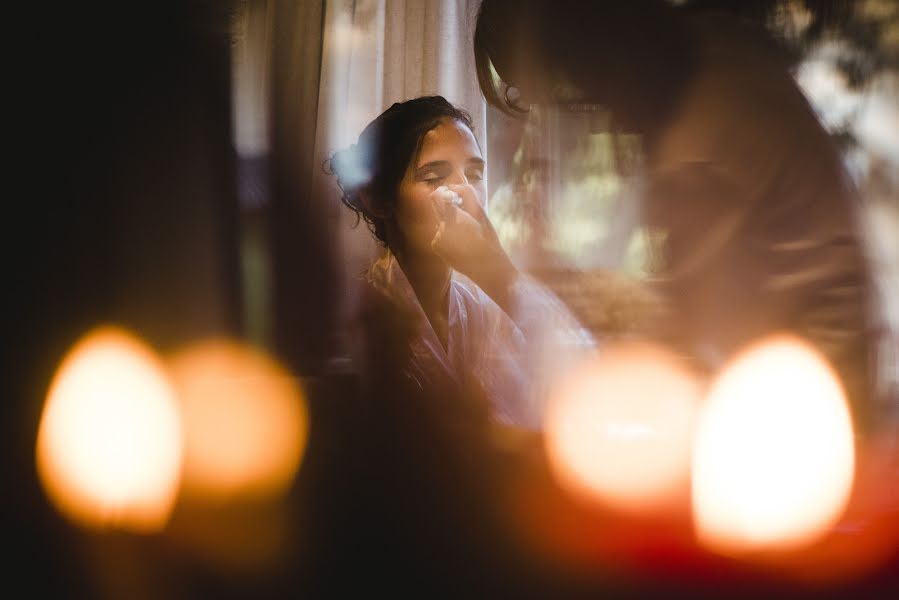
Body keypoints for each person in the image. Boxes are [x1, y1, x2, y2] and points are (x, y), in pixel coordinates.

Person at [473, 0, 880, 434]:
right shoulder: (716, 47)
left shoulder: (695, 142)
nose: (568, 103)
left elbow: (700, 334)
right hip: (811, 378)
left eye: (553, 84)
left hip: (802, 407)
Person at [327, 95, 594, 432]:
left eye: (474, 174)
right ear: (379, 199)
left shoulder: (481, 309)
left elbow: (584, 386)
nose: (463, 193)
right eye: (434, 177)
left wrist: (497, 272)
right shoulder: (362, 321)